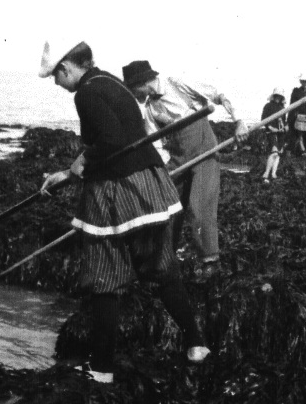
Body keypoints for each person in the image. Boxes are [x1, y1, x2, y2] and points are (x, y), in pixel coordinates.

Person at [38, 41, 209, 383]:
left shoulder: (85, 93)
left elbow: (111, 141)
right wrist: (71, 170)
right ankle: (196, 343)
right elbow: (122, 134)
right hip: (151, 184)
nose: (57, 83)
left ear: (65, 68)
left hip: (117, 193)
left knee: (105, 276)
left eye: (55, 76)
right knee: (162, 267)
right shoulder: (112, 82)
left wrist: (79, 166)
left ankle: (101, 369)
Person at [122, 60, 248, 275]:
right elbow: (156, 144)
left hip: (204, 153)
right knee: (165, 207)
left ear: (142, 83)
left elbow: (219, 94)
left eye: (133, 90)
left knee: (199, 208)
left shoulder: (177, 84)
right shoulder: (150, 108)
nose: (133, 96)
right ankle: (165, 259)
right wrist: (163, 170)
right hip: (178, 160)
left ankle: (210, 261)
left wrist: (239, 121)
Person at [261, 87, 286, 182]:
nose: (278, 98)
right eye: (277, 96)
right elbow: (263, 118)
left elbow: (284, 120)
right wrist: (270, 127)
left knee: (278, 154)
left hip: (281, 133)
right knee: (274, 152)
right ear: (274, 96)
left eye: (280, 96)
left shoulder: (282, 108)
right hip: (271, 132)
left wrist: (285, 126)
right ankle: (266, 173)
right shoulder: (268, 106)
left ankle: (273, 173)